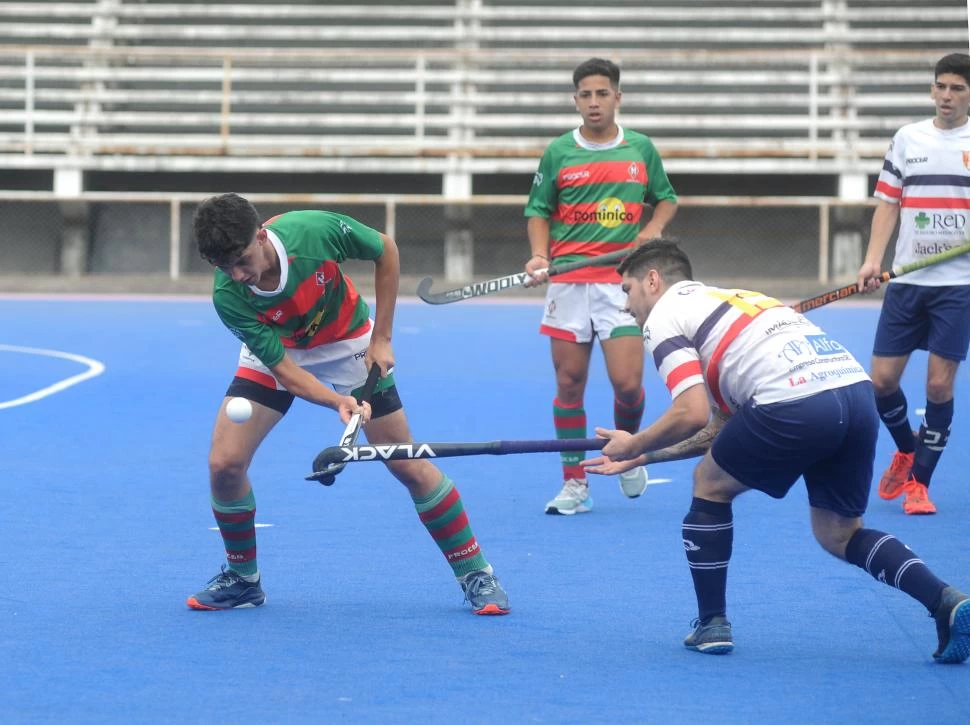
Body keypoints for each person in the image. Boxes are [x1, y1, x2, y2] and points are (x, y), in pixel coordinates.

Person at [583, 240, 970, 662]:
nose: (626, 305)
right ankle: (945, 601)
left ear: (653, 281)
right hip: (854, 395)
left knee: (708, 484)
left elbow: (691, 412)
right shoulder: (737, 299)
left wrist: (635, 440)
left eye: (627, 289)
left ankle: (712, 623)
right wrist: (646, 456)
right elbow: (721, 429)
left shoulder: (662, 317)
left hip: (793, 402)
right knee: (839, 532)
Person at [188, 192, 509, 615]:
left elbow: (385, 250)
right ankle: (242, 579)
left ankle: (475, 572)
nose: (238, 273)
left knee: (406, 462)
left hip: (348, 342)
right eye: (224, 266)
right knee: (223, 464)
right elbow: (285, 372)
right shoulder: (228, 294)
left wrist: (382, 338)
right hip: (279, 352)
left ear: (262, 235)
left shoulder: (313, 233)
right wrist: (338, 401)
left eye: (243, 259)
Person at [523, 57, 679, 515]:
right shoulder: (558, 152)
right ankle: (574, 484)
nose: (594, 102)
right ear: (576, 101)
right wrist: (539, 256)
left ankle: (628, 450)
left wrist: (652, 230)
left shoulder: (640, 149)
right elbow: (538, 209)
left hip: (622, 284)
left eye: (602, 93)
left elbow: (666, 200)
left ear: (617, 98)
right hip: (569, 284)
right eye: (585, 95)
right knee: (569, 384)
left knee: (628, 385)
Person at [855, 52, 970, 515]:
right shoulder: (908, 139)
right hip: (907, 281)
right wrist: (871, 261)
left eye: (957, 88)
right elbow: (887, 203)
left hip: (959, 285)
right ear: (931, 90)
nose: (946, 95)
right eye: (940, 86)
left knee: (939, 388)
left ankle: (919, 483)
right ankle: (906, 449)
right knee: (882, 381)